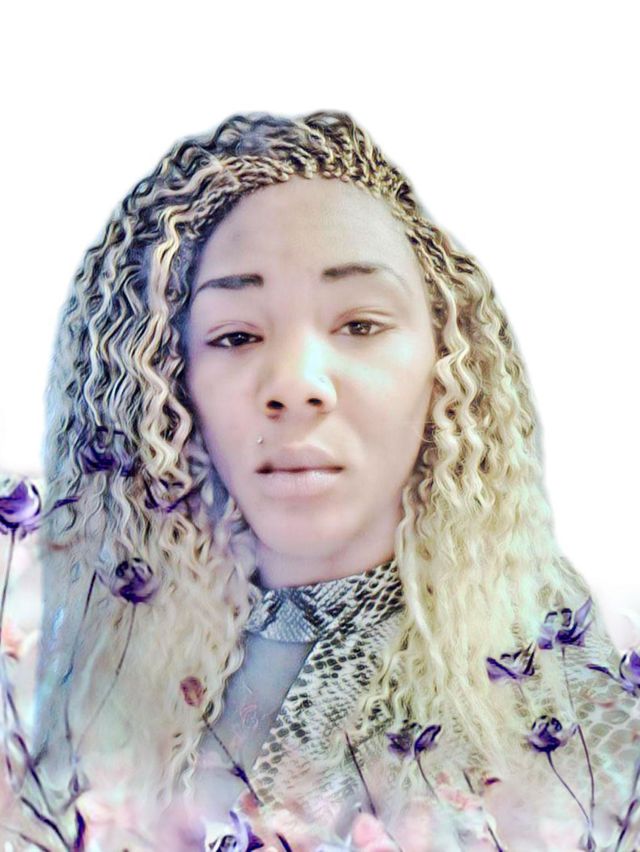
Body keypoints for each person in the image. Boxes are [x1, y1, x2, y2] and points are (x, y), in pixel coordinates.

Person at [12, 111, 637, 849]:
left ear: (447, 359)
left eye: (360, 325)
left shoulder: (561, 701)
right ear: (169, 382)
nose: (296, 383)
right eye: (236, 335)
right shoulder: (101, 682)